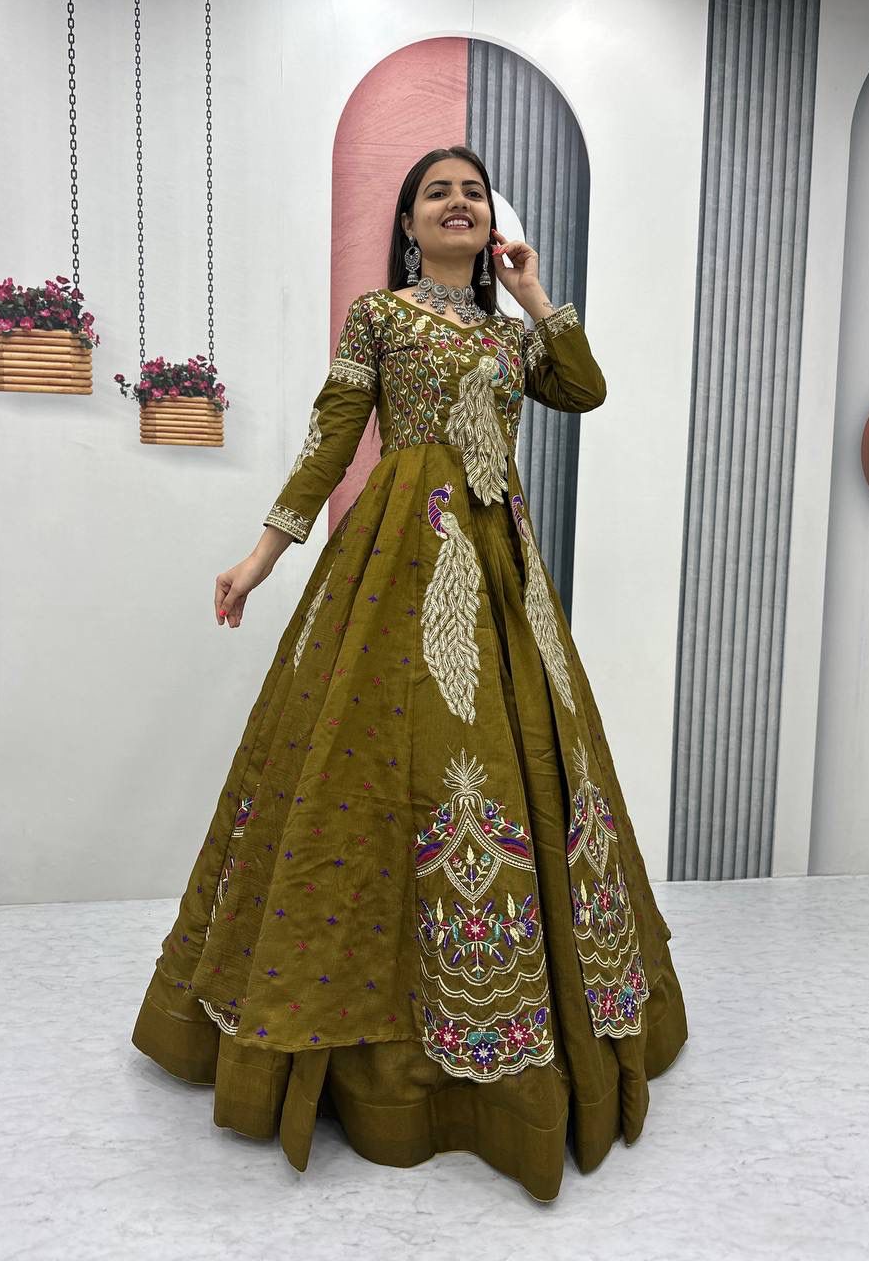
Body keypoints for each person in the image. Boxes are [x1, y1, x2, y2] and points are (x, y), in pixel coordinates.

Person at [131, 144, 689, 1202]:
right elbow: (332, 441)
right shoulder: (378, 318)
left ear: (490, 221)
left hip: (501, 566)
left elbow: (585, 388)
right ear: (408, 222)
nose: (458, 203)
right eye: (438, 192)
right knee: (376, 768)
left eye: (473, 192)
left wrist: (533, 294)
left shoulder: (508, 334)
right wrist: (261, 557)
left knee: (514, 760)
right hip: (397, 558)